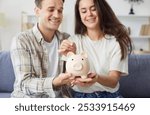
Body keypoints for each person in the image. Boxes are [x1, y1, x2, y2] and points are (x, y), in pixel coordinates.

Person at [59, 0, 132, 98]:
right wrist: (73, 79)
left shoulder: (117, 42)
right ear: (79, 15)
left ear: (101, 10)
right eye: (84, 11)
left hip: (110, 96)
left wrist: (96, 78)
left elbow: (113, 81)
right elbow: (68, 81)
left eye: (93, 9)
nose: (89, 14)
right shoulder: (73, 41)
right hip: (80, 97)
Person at [10, 0, 75, 98]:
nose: (57, 15)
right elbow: (24, 83)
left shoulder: (66, 39)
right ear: (37, 11)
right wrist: (54, 82)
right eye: (51, 9)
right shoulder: (22, 40)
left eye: (60, 11)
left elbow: (70, 81)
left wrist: (72, 58)